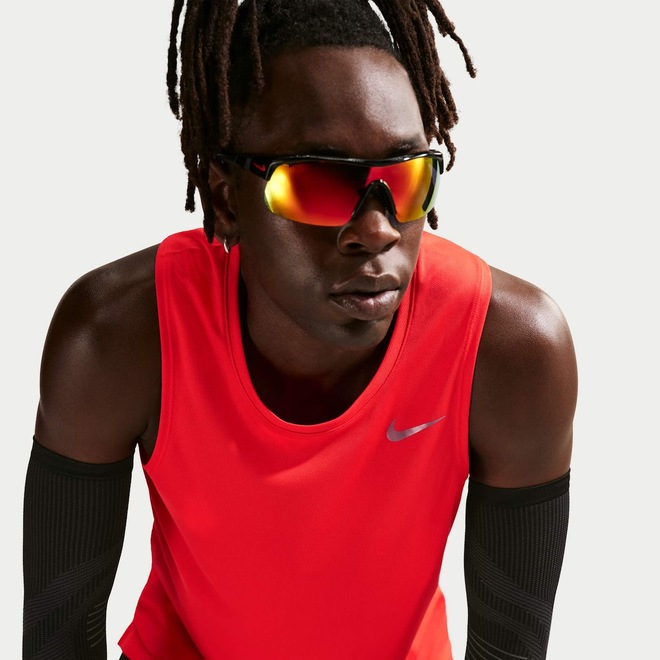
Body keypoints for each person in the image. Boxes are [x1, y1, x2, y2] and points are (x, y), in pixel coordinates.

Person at [22, 0, 577, 658]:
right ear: (226, 200)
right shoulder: (118, 336)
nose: (377, 230)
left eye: (404, 178)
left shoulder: (507, 349)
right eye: (317, 184)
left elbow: (510, 648)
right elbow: (59, 638)